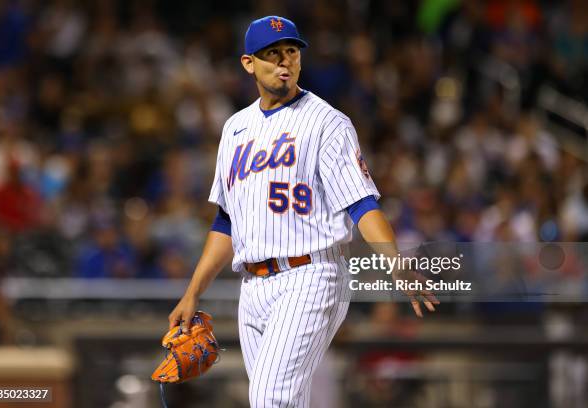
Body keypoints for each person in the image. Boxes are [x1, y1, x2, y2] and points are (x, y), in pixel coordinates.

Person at [168, 15, 438, 407]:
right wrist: (192, 293)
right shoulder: (235, 129)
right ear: (248, 63)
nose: (284, 61)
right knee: (285, 402)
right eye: (272, 53)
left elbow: (362, 203)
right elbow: (226, 221)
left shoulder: (327, 123)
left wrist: (394, 259)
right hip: (253, 287)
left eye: (291, 51)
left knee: (268, 398)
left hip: (311, 275)